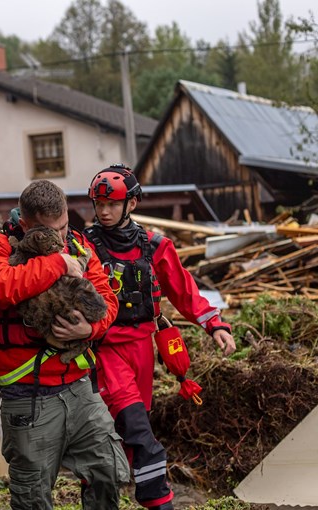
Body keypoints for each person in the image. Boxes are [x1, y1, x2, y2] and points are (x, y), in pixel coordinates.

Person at [83, 164, 237, 510]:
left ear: (131, 204)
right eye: (98, 204)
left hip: (143, 349)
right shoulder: (83, 246)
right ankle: (160, 502)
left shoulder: (155, 245)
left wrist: (215, 325)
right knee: (138, 431)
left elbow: (185, 292)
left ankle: (99, 497)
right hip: (103, 349)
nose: (103, 211)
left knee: (125, 433)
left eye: (111, 204)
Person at [0, 180, 130, 510]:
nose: (61, 239)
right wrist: (58, 263)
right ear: (28, 224)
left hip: (79, 387)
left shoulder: (78, 243)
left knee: (108, 470)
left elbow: (106, 299)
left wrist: (90, 328)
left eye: (63, 227)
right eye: (51, 231)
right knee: (33, 496)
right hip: (27, 394)